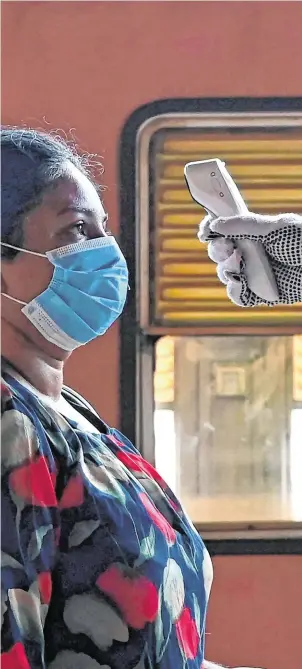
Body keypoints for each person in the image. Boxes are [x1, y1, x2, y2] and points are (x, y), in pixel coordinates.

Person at [2, 126, 295, 669]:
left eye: (101, 231)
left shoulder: (75, 417)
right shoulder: (8, 425)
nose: (103, 253)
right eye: (75, 231)